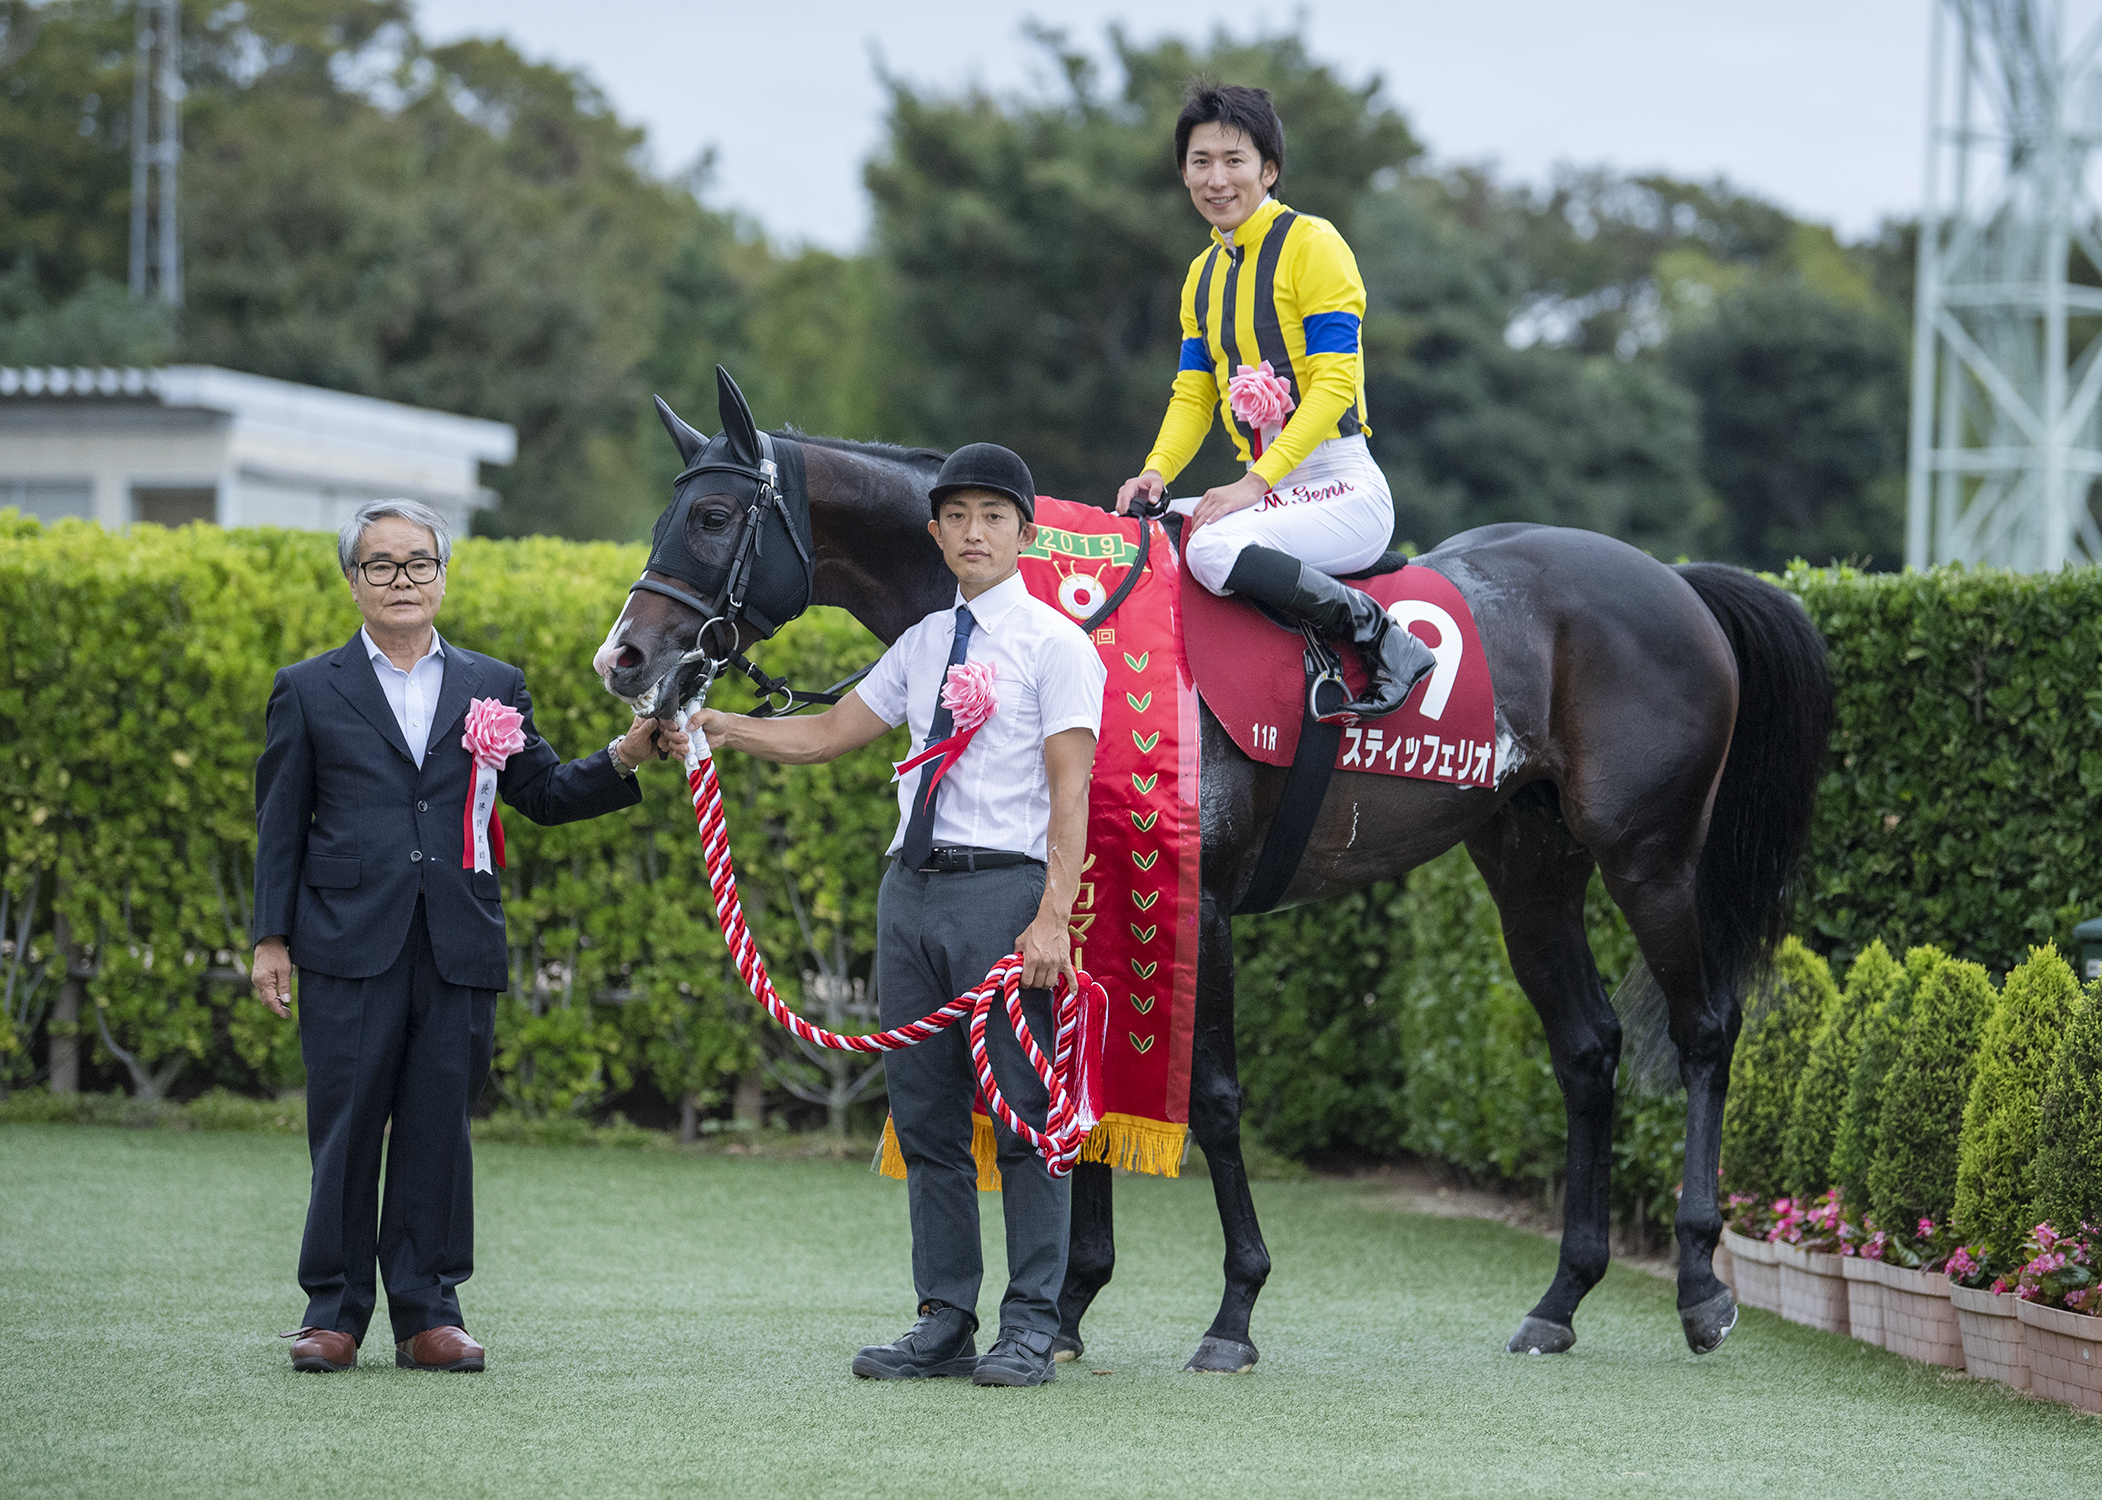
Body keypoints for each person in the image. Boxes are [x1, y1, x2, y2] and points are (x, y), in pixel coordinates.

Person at [691, 442, 1104, 1388]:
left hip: (1005, 892)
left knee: (1026, 1117)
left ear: (1026, 534)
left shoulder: (1057, 646)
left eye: (992, 516)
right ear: (934, 532)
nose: (973, 532)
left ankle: (1032, 1326)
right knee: (924, 1118)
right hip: (909, 891)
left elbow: (1072, 792)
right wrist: (723, 726)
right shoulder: (921, 643)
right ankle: (944, 1316)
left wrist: (1052, 919)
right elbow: (831, 735)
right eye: (956, 516)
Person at [252, 498, 685, 1375]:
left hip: (458, 941)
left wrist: (629, 754)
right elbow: (280, 824)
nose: (402, 580)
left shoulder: (494, 683)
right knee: (343, 1129)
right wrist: (271, 938)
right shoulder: (307, 688)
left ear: (443, 577)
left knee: (436, 1128)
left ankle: (428, 1313)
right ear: (353, 582)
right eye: (381, 565)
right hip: (343, 941)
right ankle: (331, 1312)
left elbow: (545, 794)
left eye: (418, 563)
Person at [1117, 82, 1435, 719]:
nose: (1217, 179)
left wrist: (1252, 485)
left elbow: (1334, 387)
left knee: (1208, 547)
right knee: (1142, 534)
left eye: (1234, 161)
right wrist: (1155, 473)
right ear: (1183, 173)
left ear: (1269, 170)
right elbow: (1192, 395)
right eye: (1200, 161)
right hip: (1277, 492)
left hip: (1343, 488)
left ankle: (1383, 640)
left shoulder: (1313, 244)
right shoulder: (1200, 276)